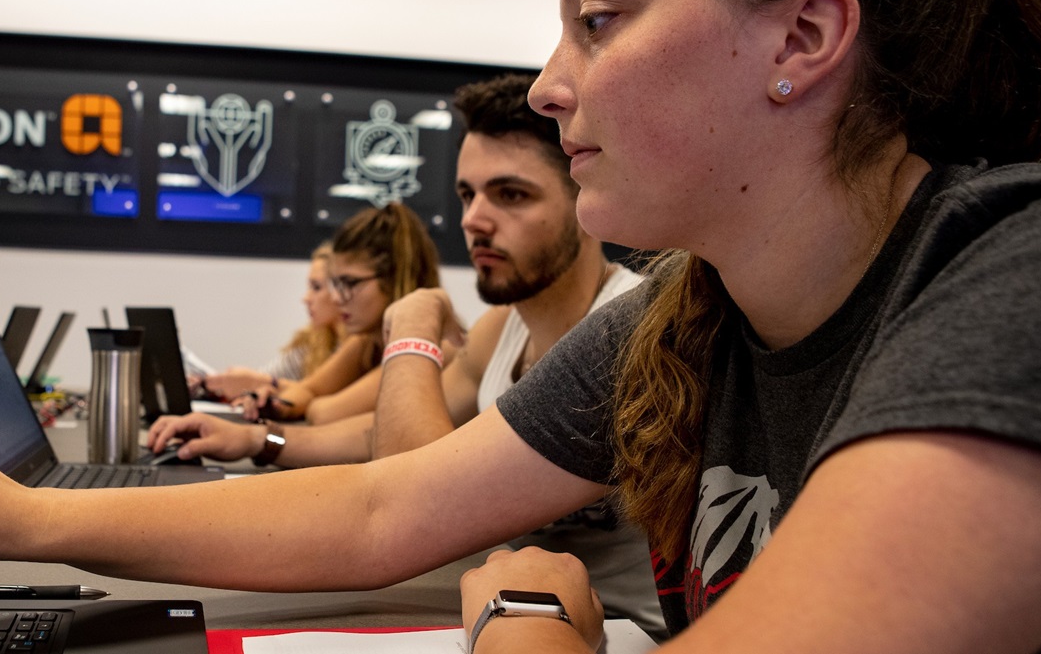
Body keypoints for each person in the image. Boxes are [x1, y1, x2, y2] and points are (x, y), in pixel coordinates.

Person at [0, 0, 1041, 651]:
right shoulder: (691, 310)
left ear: (803, 38)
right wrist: (17, 519)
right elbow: (390, 506)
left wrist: (523, 630)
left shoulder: (1035, 278)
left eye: (600, 19)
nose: (556, 83)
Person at [148, 73, 666, 639]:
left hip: (629, 636)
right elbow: (382, 431)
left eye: (511, 194)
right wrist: (260, 441)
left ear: (582, 196)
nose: (474, 219)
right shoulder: (502, 329)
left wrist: (413, 329)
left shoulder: (635, 327)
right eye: (468, 195)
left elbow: (407, 488)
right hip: (508, 615)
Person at [236, 202, 442, 424]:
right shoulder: (366, 342)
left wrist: (291, 401)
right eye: (335, 283)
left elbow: (325, 412)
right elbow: (308, 390)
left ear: (394, 281)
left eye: (349, 283)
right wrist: (274, 402)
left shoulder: (428, 349)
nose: (336, 297)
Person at [194, 242, 344, 399]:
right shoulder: (314, 341)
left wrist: (265, 383)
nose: (306, 298)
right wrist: (221, 385)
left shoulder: (362, 347)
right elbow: (261, 379)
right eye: (309, 287)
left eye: (317, 287)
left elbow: (332, 405)